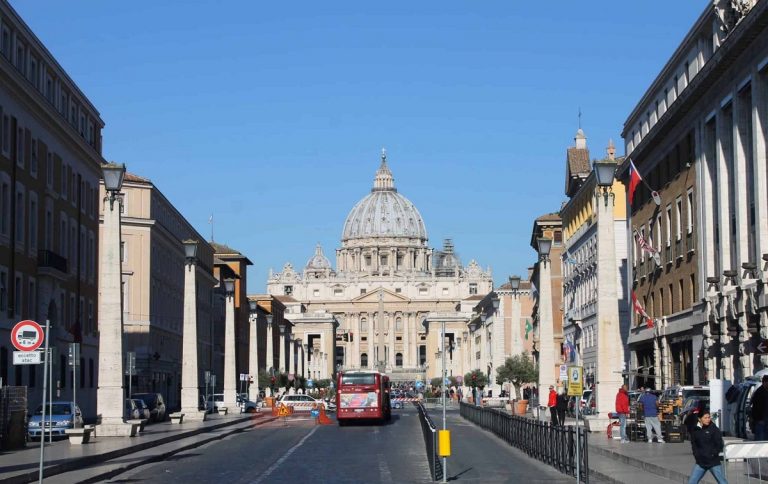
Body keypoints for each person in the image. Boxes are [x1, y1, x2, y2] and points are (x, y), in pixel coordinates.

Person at [687, 411, 727, 484]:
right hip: (700, 462)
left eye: (709, 417)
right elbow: (694, 444)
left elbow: (719, 444)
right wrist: (697, 455)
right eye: (705, 418)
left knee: (722, 482)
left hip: (713, 462)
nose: (708, 419)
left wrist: (713, 454)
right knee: (691, 482)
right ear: (699, 419)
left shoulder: (714, 429)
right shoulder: (695, 429)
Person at [750, 375, 768, 440]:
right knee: (761, 439)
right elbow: (756, 407)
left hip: (764, 420)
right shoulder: (759, 392)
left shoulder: (765, 391)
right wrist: (759, 419)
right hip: (761, 420)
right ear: (764, 382)